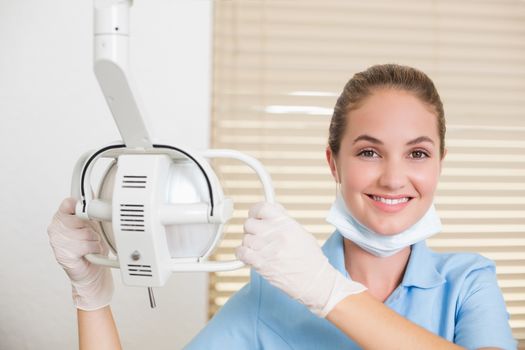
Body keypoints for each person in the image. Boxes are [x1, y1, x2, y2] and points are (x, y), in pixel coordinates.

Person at [47, 64, 517, 349]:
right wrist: (91, 297)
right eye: (369, 152)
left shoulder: (468, 282)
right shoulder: (271, 298)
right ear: (333, 162)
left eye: (417, 153)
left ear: (440, 163)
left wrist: (327, 292)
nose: (394, 178)